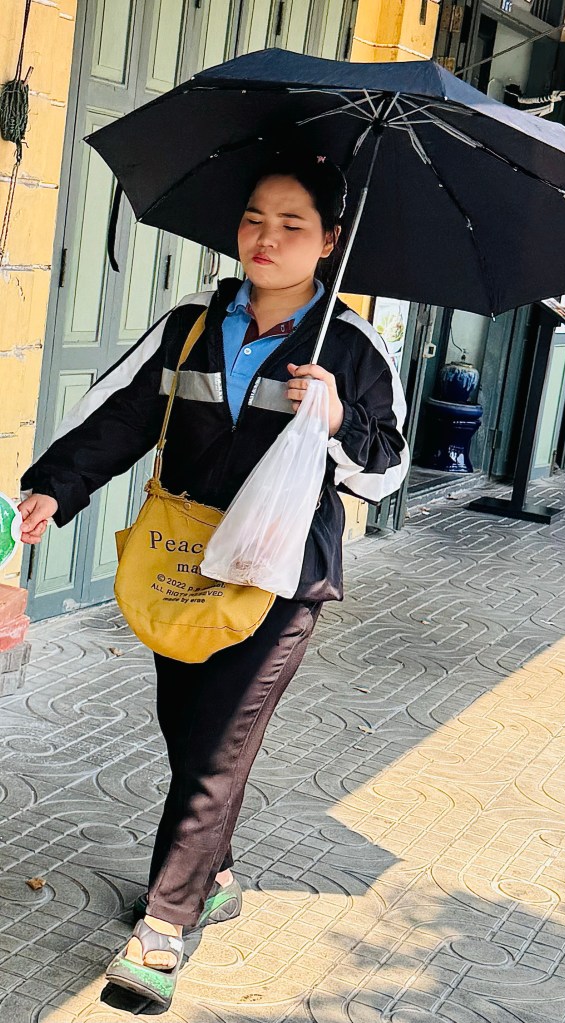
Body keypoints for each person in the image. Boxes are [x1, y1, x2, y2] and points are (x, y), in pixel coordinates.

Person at [19, 151, 409, 1008]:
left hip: (280, 579)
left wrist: (338, 418)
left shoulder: (353, 348)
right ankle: (215, 873)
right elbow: (120, 412)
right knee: (186, 728)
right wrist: (55, 485)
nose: (266, 237)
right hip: (183, 563)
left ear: (330, 240)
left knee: (216, 751)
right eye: (254, 218)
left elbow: (385, 473)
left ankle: (164, 927)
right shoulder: (192, 322)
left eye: (292, 224)